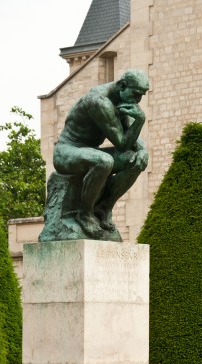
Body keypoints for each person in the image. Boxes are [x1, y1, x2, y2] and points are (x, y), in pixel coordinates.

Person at [53, 69, 149, 239]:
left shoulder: (121, 99)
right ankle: (84, 214)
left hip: (90, 151)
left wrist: (142, 151)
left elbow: (128, 137)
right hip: (67, 151)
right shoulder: (99, 101)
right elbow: (121, 143)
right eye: (135, 94)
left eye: (141, 95)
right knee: (104, 161)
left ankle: (104, 207)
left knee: (136, 161)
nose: (138, 100)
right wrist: (140, 120)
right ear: (122, 85)